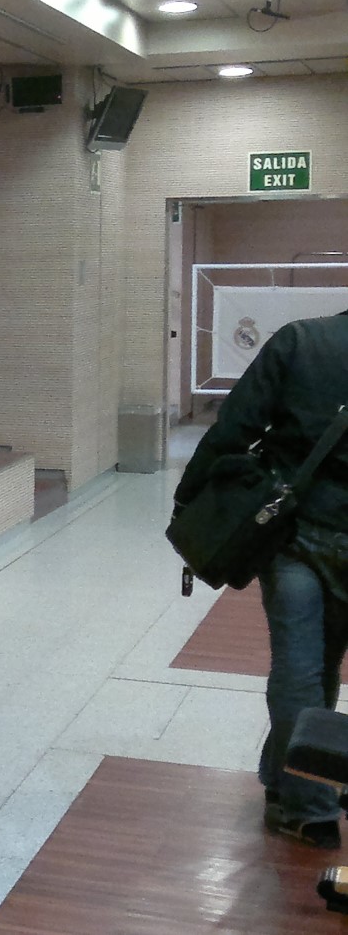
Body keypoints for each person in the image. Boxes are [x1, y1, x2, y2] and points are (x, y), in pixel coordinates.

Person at [177, 311, 348, 849]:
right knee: (324, 662)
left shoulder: (302, 341)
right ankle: (290, 781)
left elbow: (234, 427)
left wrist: (189, 501)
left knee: (300, 666)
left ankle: (308, 806)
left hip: (295, 530)